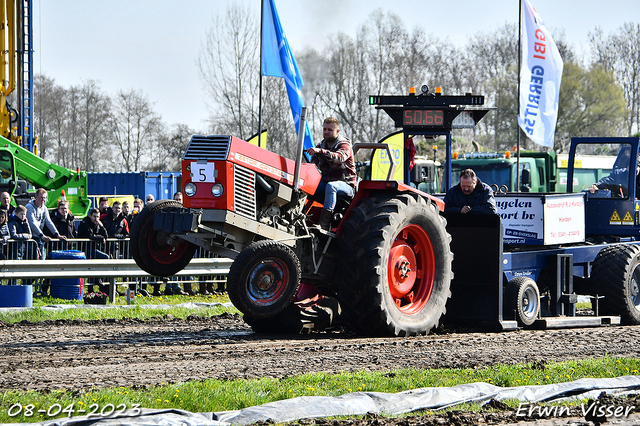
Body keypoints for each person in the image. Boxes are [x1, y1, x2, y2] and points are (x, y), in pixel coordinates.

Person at [306, 117, 357, 230]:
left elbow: (339, 158)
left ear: (337, 131)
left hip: (346, 185)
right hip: (326, 182)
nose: (326, 132)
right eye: (324, 129)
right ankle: (302, 217)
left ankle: (323, 224)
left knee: (331, 186)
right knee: (307, 187)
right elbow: (313, 165)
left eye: (330, 130)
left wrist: (321, 152)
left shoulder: (344, 145)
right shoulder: (321, 145)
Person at [26, 188, 67, 260]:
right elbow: (32, 223)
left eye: (44, 198)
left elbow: (49, 222)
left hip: (40, 238)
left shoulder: (44, 208)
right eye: (41, 198)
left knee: (42, 259)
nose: (43, 200)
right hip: (31, 238)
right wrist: (42, 236)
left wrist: (57, 235)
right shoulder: (29, 207)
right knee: (33, 259)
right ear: (36, 197)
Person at [78, 208, 110, 293]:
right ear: (90, 216)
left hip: (94, 248)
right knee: (105, 258)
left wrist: (102, 226)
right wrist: (100, 238)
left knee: (93, 267)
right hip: (85, 249)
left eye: (98, 217)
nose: (96, 219)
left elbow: (106, 236)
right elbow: (90, 235)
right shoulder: (85, 223)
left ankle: (97, 281)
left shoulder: (98, 224)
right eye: (94, 216)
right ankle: (97, 281)